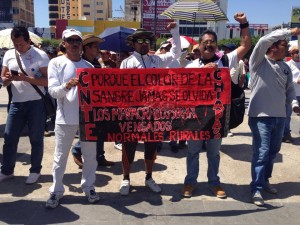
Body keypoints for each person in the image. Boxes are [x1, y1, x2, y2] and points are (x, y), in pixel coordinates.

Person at [181, 12, 251, 199]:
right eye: (205, 42)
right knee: (193, 151)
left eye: (212, 42)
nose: (209, 45)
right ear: (199, 46)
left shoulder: (226, 61)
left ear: (216, 46)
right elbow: (184, 90)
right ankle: (190, 182)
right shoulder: (191, 66)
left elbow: (245, 45)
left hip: (217, 117)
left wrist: (244, 23)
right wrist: (202, 73)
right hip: (196, 117)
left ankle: (214, 183)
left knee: (214, 153)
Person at [118, 22, 181, 196]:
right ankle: (126, 178)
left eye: (147, 40)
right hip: (132, 112)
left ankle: (149, 177)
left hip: (154, 111)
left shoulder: (157, 60)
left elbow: (176, 53)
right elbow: (120, 89)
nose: (144, 43)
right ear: (133, 43)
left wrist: (175, 32)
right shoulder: (126, 63)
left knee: (151, 146)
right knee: (128, 146)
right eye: (140, 40)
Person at [45, 29, 100, 209]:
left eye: (78, 40)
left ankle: (89, 186)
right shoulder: (56, 63)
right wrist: (67, 85)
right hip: (64, 118)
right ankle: (56, 190)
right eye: (71, 40)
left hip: (87, 119)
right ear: (64, 43)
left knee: (90, 156)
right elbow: (53, 92)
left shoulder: (89, 66)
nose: (75, 43)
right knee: (60, 157)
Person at [248, 27, 300, 206]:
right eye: (284, 45)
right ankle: (256, 189)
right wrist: (288, 31)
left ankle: (264, 181)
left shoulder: (285, 67)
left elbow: (290, 90)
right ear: (273, 47)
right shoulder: (259, 62)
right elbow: (262, 41)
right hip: (260, 117)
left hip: (280, 117)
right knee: (261, 153)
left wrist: (294, 104)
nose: (286, 49)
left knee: (272, 152)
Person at [0, 26, 49, 184]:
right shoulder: (9, 54)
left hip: (36, 102)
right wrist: (8, 78)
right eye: (16, 44)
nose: (19, 48)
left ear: (29, 41)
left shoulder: (40, 55)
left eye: (22, 44)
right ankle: (7, 170)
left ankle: (35, 170)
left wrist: (26, 78)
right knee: (9, 138)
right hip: (16, 103)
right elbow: (3, 80)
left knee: (36, 138)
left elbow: (48, 81)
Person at [71, 34, 115, 168]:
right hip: (86, 103)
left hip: (98, 101)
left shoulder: (96, 62)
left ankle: (99, 156)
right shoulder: (80, 62)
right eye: (95, 46)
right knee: (90, 129)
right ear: (86, 48)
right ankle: (77, 150)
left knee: (100, 129)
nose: (98, 49)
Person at [221, 43, 246, 137]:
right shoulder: (222, 61)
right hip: (222, 88)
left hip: (233, 88)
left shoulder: (239, 62)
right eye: (224, 50)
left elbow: (243, 75)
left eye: (227, 50)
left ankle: (228, 128)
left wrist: (239, 86)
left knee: (231, 109)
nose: (225, 51)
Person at [283, 46, 300, 142]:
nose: (298, 54)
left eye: (299, 52)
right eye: (296, 52)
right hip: (291, 93)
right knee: (287, 115)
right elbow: (289, 79)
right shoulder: (287, 65)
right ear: (292, 54)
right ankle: (286, 134)